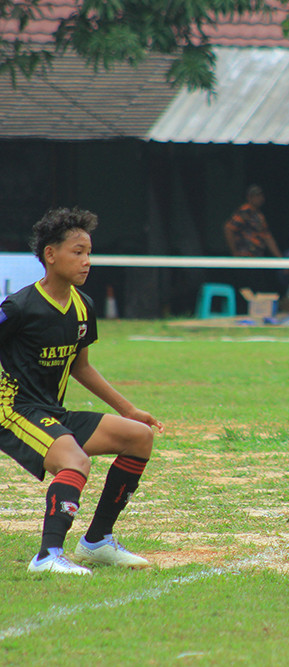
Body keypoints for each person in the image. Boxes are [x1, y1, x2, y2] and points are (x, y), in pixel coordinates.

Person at [0, 208, 164, 575]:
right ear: (50, 254)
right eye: (77, 252)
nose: (87, 261)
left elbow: (80, 366)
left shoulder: (82, 306)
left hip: (51, 411)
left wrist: (129, 410)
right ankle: (47, 556)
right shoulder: (19, 307)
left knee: (138, 437)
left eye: (89, 252)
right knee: (75, 461)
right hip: (14, 411)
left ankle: (97, 542)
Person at [224, 185, 282, 259]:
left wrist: (280, 258)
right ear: (249, 198)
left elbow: (267, 236)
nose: (260, 198)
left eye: (261, 196)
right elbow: (228, 229)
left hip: (256, 256)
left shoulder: (259, 216)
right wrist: (234, 252)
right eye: (256, 196)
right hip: (244, 256)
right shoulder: (244, 211)